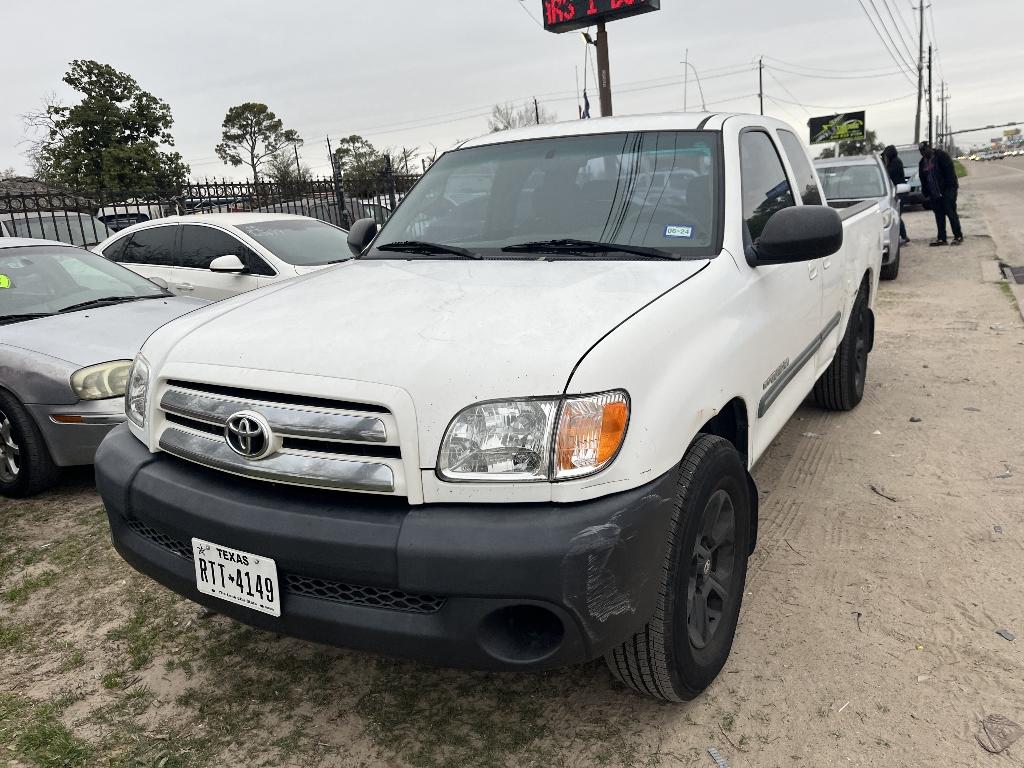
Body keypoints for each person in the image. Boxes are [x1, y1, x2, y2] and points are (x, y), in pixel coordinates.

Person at [918, 141, 963, 246]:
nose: (923, 153)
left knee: (950, 212)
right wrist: (925, 192)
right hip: (934, 193)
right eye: (921, 151)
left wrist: (949, 190)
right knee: (939, 215)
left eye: (924, 150)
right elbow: (923, 178)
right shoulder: (922, 162)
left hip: (948, 190)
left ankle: (958, 236)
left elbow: (950, 174)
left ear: (930, 148)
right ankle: (942, 238)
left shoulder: (941, 156)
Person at [881, 145, 910, 246]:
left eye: (885, 156)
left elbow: (889, 175)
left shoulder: (895, 163)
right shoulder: (894, 162)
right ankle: (903, 236)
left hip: (899, 193)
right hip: (897, 192)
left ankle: (904, 236)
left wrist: (884, 164)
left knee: (896, 215)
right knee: (897, 215)